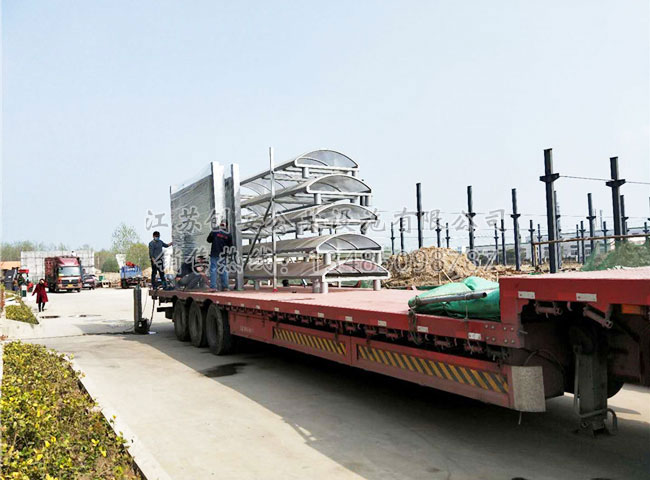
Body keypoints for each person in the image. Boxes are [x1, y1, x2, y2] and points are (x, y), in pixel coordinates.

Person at [207, 220, 232, 291]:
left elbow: (208, 240)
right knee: (223, 270)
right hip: (223, 255)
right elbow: (230, 246)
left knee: (213, 270)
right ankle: (225, 287)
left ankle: (213, 287)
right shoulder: (228, 234)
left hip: (214, 254)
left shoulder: (214, 232)